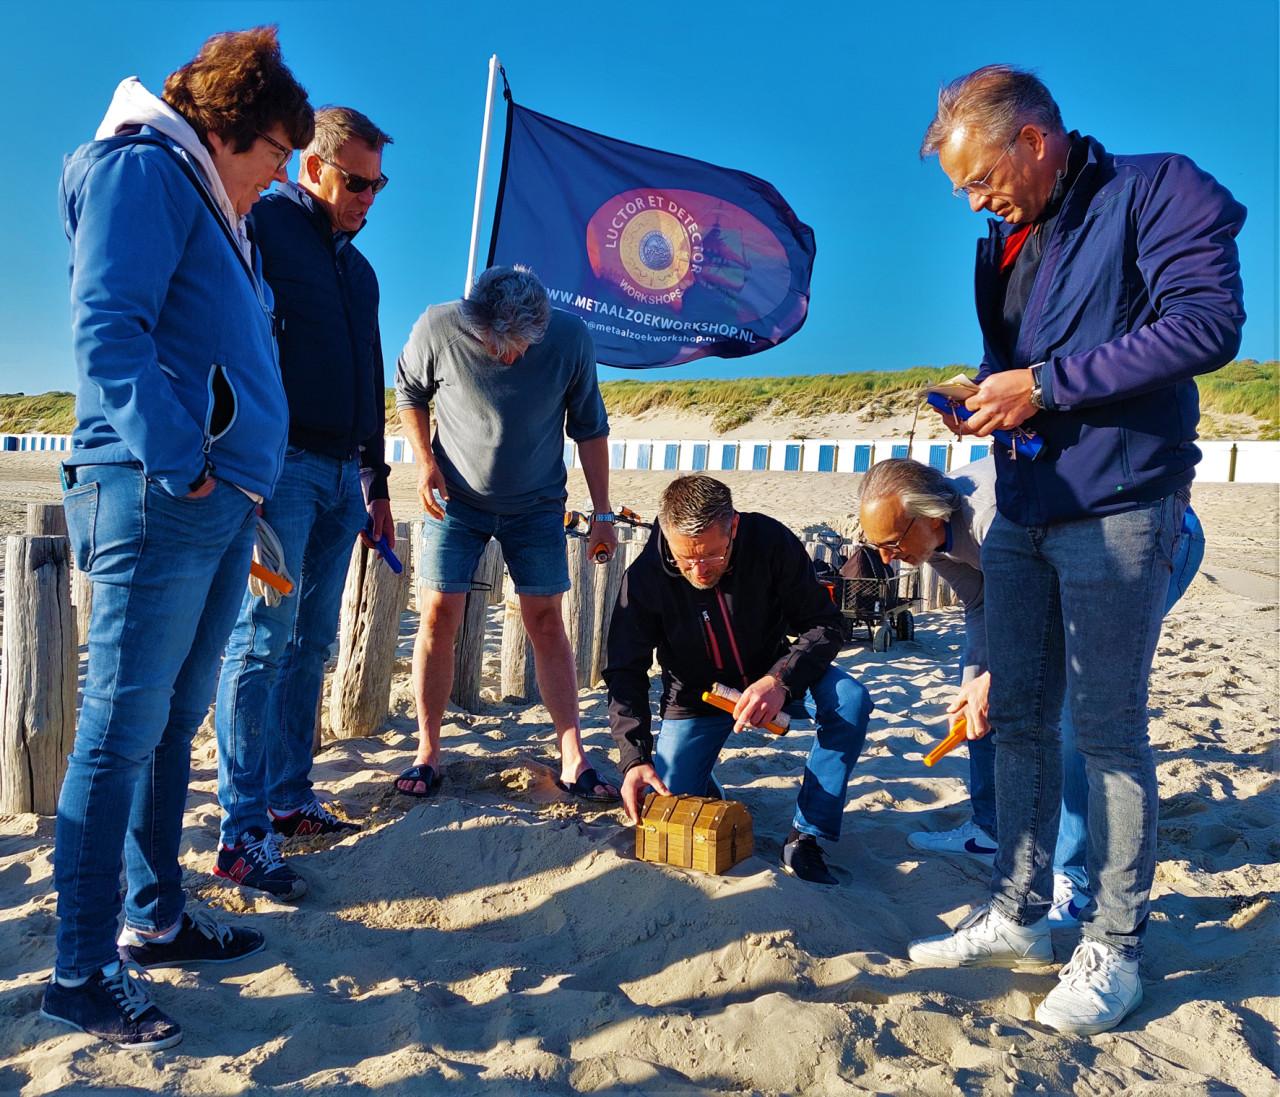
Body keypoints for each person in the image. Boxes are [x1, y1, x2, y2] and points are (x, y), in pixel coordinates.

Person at [907, 65, 1245, 1036]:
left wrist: (1045, 386)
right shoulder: (1007, 239)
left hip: (1122, 505)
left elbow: (1206, 325)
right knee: (1014, 716)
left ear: (1034, 139)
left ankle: (1112, 943)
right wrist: (985, 393)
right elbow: (1015, 363)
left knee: (1103, 732)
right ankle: (1016, 912)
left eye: (980, 181)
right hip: (1023, 505)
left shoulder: (1157, 188)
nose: (976, 201)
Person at [44, 28, 313, 1051]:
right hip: (154, 491)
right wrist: (183, 460)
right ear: (227, 129)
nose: (279, 175)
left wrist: (233, 494)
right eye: (276, 154)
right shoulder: (144, 170)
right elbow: (108, 326)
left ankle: (154, 917)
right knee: (117, 732)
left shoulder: (211, 199)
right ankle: (78, 969)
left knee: (168, 723)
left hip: (208, 502)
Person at [859, 457, 1205, 922]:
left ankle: (1075, 876)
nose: (886, 558)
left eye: (892, 544)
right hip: (1060, 569)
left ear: (930, 516)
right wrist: (974, 686)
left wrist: (995, 676)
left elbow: (1054, 619)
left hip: (1147, 542)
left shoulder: (990, 515)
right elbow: (983, 606)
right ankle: (989, 826)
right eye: (877, 547)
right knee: (980, 704)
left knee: (1073, 708)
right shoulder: (929, 543)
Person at [212, 107, 395, 902]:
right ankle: (240, 828)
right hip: (276, 469)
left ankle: (288, 800)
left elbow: (370, 375)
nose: (369, 196)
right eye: (357, 181)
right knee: (259, 638)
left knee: (310, 642)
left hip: (342, 477)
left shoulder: (360, 272)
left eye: (378, 184)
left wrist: (378, 479)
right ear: (311, 168)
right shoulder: (264, 227)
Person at [394, 265, 619, 801]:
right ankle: (428, 751)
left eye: (519, 346)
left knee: (546, 622)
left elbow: (590, 428)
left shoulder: (568, 338)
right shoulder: (438, 327)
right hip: (454, 500)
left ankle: (572, 753)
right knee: (437, 614)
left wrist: (604, 513)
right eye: (497, 345)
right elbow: (408, 394)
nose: (508, 357)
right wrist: (424, 461)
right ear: (475, 323)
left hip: (538, 503)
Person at [605, 475, 873, 886]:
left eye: (711, 556)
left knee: (851, 700)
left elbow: (826, 624)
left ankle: (807, 836)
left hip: (775, 676)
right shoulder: (645, 577)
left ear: (732, 527)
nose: (697, 571)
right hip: (695, 696)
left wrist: (780, 679)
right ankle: (708, 792)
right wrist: (634, 758)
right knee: (670, 799)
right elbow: (625, 670)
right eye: (684, 559)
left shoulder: (770, 542)